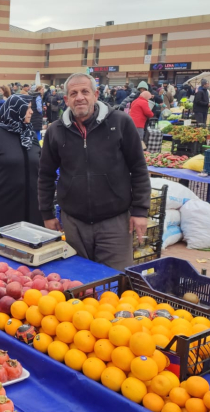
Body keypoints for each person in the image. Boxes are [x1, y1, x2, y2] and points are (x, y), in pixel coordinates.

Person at [37, 72, 150, 271]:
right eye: (73, 93)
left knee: (116, 284)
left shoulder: (120, 122)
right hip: (73, 223)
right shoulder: (55, 131)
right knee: (77, 282)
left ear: (96, 95)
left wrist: (140, 210)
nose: (79, 97)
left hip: (114, 222)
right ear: (66, 100)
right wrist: (47, 213)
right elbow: (45, 174)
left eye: (85, 91)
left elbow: (139, 168)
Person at [0, 94, 42, 226]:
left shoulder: (31, 135)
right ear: (16, 109)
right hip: (1, 206)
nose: (31, 111)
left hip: (31, 207)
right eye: (27, 108)